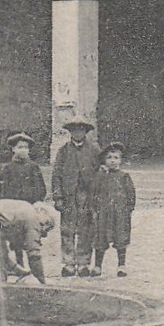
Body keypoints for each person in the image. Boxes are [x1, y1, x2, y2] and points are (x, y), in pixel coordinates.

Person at [50, 117, 101, 277]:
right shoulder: (64, 150)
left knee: (86, 230)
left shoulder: (94, 150)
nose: (77, 133)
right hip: (68, 196)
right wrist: (58, 197)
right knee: (67, 230)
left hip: (87, 195)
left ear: (85, 131)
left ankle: (83, 263)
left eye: (80, 129)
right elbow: (57, 174)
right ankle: (68, 263)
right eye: (74, 130)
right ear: (70, 132)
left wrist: (97, 196)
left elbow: (100, 173)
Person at [0, 199, 57, 285]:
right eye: (47, 223)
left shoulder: (23, 211)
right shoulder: (33, 218)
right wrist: (42, 280)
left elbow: (2, 252)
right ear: (41, 210)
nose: (44, 230)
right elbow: (34, 253)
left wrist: (17, 269)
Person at [92, 141, 137, 277]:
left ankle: (121, 265)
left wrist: (127, 209)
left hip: (120, 214)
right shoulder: (100, 176)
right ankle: (97, 266)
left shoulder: (124, 177)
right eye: (109, 157)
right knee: (101, 237)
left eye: (116, 158)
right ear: (104, 160)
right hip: (103, 213)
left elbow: (131, 195)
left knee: (121, 237)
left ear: (121, 160)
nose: (112, 161)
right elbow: (94, 192)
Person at [0, 133, 47, 203]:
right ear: (13, 149)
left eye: (26, 147)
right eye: (20, 147)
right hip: (13, 205)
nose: (23, 150)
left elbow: (40, 188)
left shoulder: (33, 167)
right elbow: (4, 190)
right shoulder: (8, 168)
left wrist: (37, 201)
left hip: (31, 204)